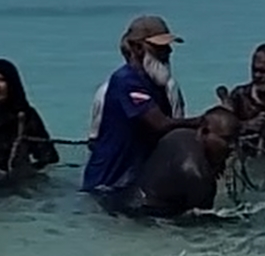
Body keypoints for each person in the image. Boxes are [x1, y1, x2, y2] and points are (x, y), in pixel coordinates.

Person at [83, 15, 195, 197]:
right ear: (137, 48)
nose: (168, 52)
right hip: (109, 184)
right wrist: (204, 121)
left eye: (167, 46)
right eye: (159, 47)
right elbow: (161, 124)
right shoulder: (126, 81)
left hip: (137, 183)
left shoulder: (160, 86)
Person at [122, 108, 240, 219]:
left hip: (128, 199)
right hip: (147, 218)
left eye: (236, 140)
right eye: (227, 139)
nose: (233, 146)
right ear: (204, 132)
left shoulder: (180, 134)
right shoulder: (197, 175)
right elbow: (202, 228)